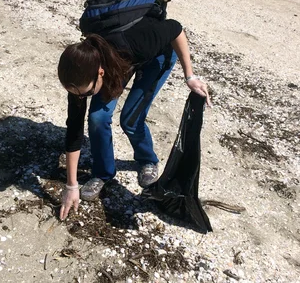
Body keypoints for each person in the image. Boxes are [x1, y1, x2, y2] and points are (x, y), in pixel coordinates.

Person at [57, 15, 211, 220]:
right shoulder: (79, 76)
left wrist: (189, 76)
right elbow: (74, 131)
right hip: (120, 60)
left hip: (155, 56)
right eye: (77, 94)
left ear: (100, 73)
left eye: (86, 94)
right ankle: (102, 173)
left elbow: (175, 28)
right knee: (97, 118)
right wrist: (71, 185)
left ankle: (147, 160)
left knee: (130, 119)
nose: (81, 98)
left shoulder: (141, 41)